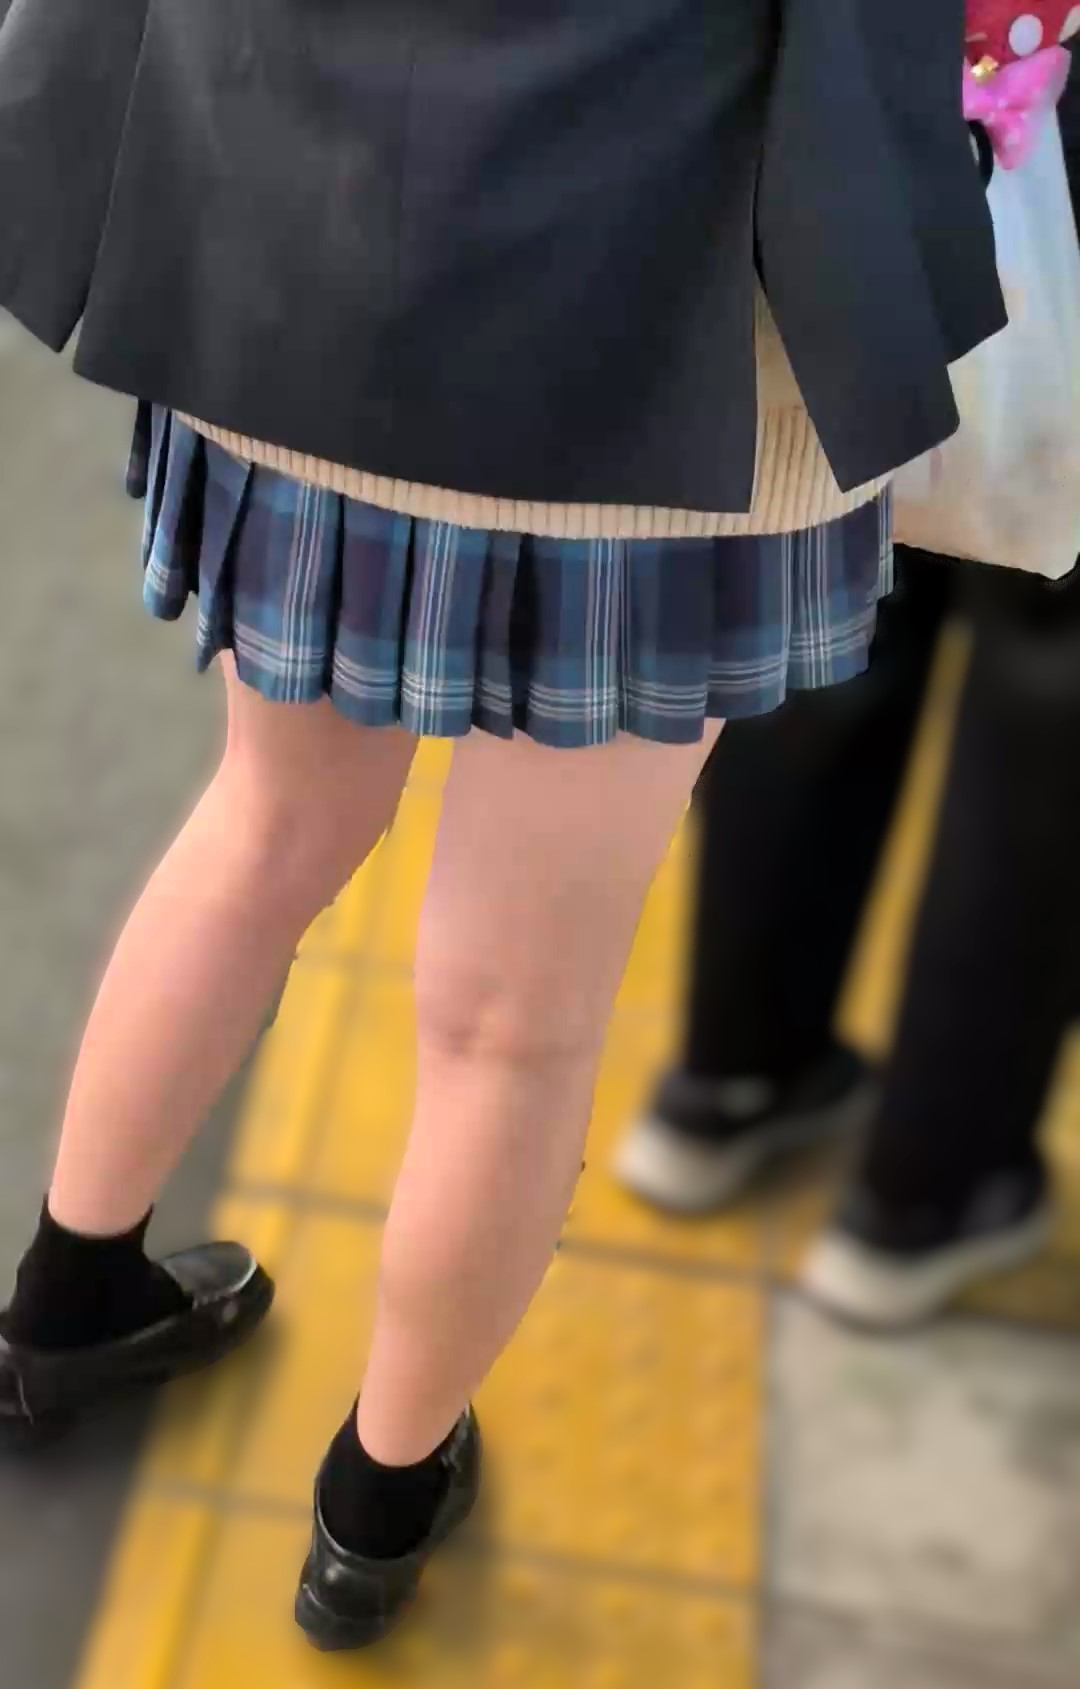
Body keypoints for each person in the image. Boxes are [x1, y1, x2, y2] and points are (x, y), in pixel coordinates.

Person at [0, 0, 1005, 1651]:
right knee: (509, 1016)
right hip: (664, 343)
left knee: (260, 830)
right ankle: (376, 1502)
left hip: (303, 246)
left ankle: (65, 1302)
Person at [617, 58, 1080, 1331]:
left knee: (850, 559)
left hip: (913, 89)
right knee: (1053, 681)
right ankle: (927, 1187)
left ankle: (733, 1075)